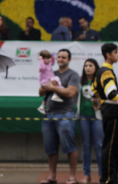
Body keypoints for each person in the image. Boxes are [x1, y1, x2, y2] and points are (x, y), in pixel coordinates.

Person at [39, 49, 80, 184]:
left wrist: (52, 88)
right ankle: (52, 176)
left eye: (64, 57)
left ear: (69, 59)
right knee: (50, 148)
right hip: (48, 114)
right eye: (59, 57)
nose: (61, 59)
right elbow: (40, 92)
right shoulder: (51, 73)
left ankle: (72, 177)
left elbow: (70, 93)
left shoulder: (73, 75)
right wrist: (46, 86)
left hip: (65, 115)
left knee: (69, 147)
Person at [91, 43, 118, 184]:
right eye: (115, 52)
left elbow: (93, 90)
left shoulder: (100, 71)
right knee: (111, 148)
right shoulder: (107, 72)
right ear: (108, 55)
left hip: (107, 112)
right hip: (113, 113)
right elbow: (112, 94)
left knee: (110, 146)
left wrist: (100, 103)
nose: (117, 55)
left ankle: (109, 178)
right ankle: (108, 179)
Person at [78, 58, 103, 183]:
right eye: (86, 65)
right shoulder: (80, 81)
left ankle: (102, 175)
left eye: (90, 65)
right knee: (86, 146)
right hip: (83, 116)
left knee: (99, 145)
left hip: (97, 117)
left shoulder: (100, 81)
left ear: (96, 67)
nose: (87, 68)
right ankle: (87, 175)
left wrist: (99, 101)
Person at [37, 50, 63, 115]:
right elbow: (41, 68)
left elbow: (53, 62)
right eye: (47, 59)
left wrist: (53, 57)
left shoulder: (49, 64)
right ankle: (55, 95)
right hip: (45, 81)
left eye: (49, 58)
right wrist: (41, 60)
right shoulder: (42, 65)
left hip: (50, 80)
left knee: (48, 94)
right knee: (57, 79)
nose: (49, 60)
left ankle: (42, 106)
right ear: (43, 59)